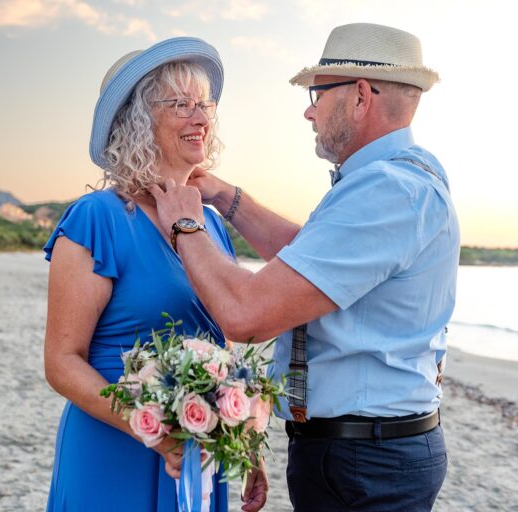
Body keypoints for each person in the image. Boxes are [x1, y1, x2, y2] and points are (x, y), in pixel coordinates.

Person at [147, 23, 460, 511]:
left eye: (318, 93)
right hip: (364, 453)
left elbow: (245, 314)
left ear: (359, 97)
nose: (309, 110)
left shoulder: (387, 191)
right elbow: (308, 258)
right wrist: (224, 195)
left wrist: (186, 225)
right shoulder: (395, 180)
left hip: (364, 462)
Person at [43, 37, 267, 512]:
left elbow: (223, 345)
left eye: (204, 104)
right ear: (139, 122)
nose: (201, 117)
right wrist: (151, 430)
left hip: (202, 451)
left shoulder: (209, 227)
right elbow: (62, 362)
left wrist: (242, 435)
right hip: (113, 447)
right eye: (180, 105)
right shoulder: (96, 218)